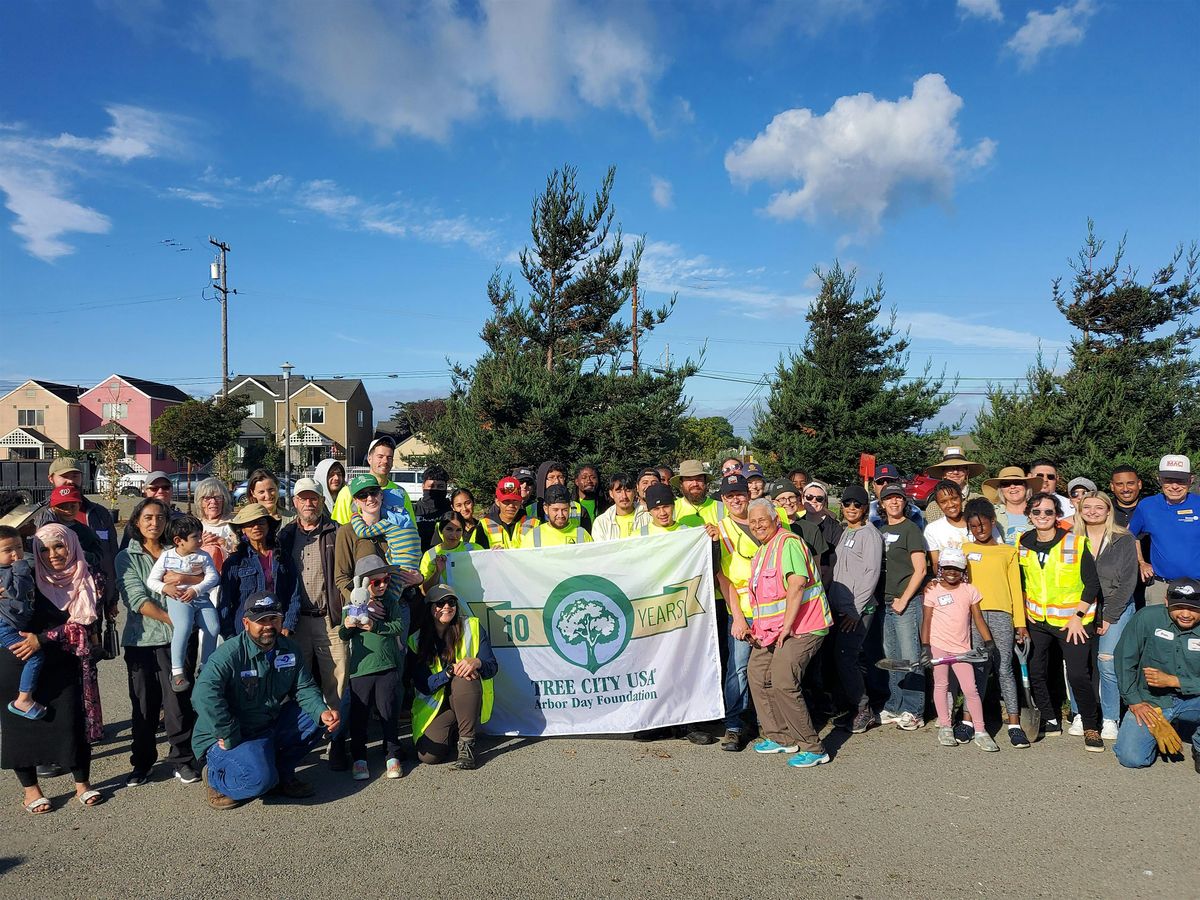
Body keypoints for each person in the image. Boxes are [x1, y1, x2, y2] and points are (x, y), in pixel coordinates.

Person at [192, 592, 340, 809]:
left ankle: (282, 775)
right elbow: (203, 695)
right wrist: (227, 731)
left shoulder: (289, 649)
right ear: (246, 623)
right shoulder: (230, 653)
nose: (268, 626)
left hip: (265, 725)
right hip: (229, 735)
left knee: (314, 718)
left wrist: (322, 711)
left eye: (273, 619)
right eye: (260, 621)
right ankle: (215, 777)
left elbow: (304, 687)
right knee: (259, 780)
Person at [1, 526, 104, 812]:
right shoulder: (24, 575)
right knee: (20, 725)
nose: (52, 554)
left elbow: (84, 625)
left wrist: (42, 639)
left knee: (72, 720)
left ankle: (82, 784)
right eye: (44, 549)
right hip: (19, 656)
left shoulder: (89, 575)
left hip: (64, 658)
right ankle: (31, 790)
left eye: (58, 547)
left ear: (70, 545)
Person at [118, 497, 201, 786]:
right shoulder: (126, 557)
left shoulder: (176, 551)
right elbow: (136, 599)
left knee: (178, 702)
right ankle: (142, 762)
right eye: (148, 518)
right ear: (137, 522)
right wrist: (175, 620)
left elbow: (195, 581)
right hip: (140, 641)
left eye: (160, 518)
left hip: (175, 643)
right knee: (144, 705)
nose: (154, 523)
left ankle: (182, 759)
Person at [744, 498, 832, 768]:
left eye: (763, 520)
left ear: (776, 521)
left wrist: (787, 627)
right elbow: (765, 599)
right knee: (757, 674)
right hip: (771, 631)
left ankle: (812, 746)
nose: (758, 525)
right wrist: (757, 630)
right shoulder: (762, 551)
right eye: (753, 521)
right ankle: (780, 736)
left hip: (803, 627)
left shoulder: (789, 543)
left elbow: (796, 587)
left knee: (783, 679)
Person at [1019, 491, 1104, 750]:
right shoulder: (1023, 542)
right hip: (1037, 620)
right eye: (1037, 512)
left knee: (1078, 675)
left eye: (1048, 512)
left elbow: (1092, 584)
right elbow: (1023, 581)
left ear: (1057, 515)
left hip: (1072, 622)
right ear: (1029, 515)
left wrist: (1078, 617)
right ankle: (1050, 718)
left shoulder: (1074, 543)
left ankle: (1091, 726)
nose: (1042, 516)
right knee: (1036, 671)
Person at [277, 477, 348, 770]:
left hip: (329, 619)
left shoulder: (337, 532)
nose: (309, 503)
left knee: (337, 683)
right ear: (295, 502)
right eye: (303, 498)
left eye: (314, 498)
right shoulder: (286, 535)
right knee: (297, 684)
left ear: (321, 501)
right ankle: (302, 740)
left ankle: (336, 742)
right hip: (295, 622)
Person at [1112, 578, 1200, 772]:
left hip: (1195, 699)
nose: (1185, 614)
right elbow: (1124, 658)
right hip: (1152, 701)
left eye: (1193, 609)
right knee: (1131, 758)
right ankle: (1155, 732)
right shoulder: (1147, 618)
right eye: (1179, 607)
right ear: (1166, 601)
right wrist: (1133, 700)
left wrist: (1174, 681)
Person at [961, 499, 1030, 747]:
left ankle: (1014, 723)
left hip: (1002, 615)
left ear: (992, 521)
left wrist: (1020, 623)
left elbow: (1015, 588)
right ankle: (968, 721)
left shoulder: (1008, 552)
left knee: (1004, 669)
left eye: (983, 524)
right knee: (976, 669)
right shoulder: (964, 549)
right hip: (972, 615)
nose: (980, 530)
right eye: (974, 526)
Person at [407, 584, 498, 770]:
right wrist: (449, 671)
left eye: (451, 602)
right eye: (440, 603)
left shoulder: (472, 626)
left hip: (467, 695)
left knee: (465, 676)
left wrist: (477, 663)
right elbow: (423, 685)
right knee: (428, 757)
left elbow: (492, 667)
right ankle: (456, 729)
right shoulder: (415, 639)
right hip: (439, 706)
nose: (446, 607)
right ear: (430, 607)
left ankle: (467, 744)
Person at [1074, 491, 1139, 741]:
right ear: (1079, 511)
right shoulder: (1072, 539)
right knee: (1078, 661)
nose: (1092, 511)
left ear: (1109, 511)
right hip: (1082, 607)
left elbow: (1128, 582)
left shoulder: (1123, 539)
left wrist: (1110, 616)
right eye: (1086, 506)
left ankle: (1111, 717)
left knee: (1106, 661)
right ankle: (1081, 713)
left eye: (1098, 507)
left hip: (1116, 606)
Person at [920, 547, 998, 751]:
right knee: (941, 685)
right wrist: (926, 646)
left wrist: (989, 641)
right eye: (947, 568)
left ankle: (981, 730)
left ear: (962, 570)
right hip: (938, 645)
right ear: (941, 569)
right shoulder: (932, 591)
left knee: (970, 689)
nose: (951, 572)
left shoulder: (970, 590)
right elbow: (926, 621)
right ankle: (945, 726)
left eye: (956, 568)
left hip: (962, 649)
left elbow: (978, 618)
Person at [341, 555, 408, 781]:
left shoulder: (390, 601)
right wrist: (349, 625)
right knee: (359, 715)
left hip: (387, 665)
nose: (382, 586)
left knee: (388, 711)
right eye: (376, 582)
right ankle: (360, 758)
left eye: (386, 580)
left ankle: (392, 755)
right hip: (360, 669)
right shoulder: (351, 604)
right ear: (363, 583)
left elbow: (398, 625)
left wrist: (375, 625)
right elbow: (343, 633)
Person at [827, 485, 883, 734]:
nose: (851, 508)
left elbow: (871, 574)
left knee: (847, 657)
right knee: (841, 659)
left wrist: (855, 611)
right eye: (847, 503)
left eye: (857, 504)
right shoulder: (846, 532)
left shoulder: (869, 534)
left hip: (858, 609)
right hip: (840, 606)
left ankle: (864, 710)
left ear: (864, 508)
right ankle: (852, 707)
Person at [34, 456, 118, 615]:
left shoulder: (99, 513)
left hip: (93, 594)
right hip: (56, 599)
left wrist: (112, 596)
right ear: (51, 478)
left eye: (75, 476)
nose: (70, 481)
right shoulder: (39, 515)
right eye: (64, 476)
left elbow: (111, 554)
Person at [146, 514, 220, 691]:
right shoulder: (167, 557)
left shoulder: (202, 557)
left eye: (200, 535)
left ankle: (205, 667)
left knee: (213, 627)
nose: (200, 540)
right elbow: (152, 580)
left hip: (200, 598)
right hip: (178, 598)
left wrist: (196, 589)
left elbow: (213, 577)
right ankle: (177, 671)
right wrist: (166, 588)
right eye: (195, 537)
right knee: (184, 627)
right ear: (179, 541)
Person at [877, 482, 929, 731]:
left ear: (905, 502)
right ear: (883, 503)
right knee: (893, 658)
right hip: (886, 601)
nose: (894, 502)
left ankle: (914, 709)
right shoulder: (880, 529)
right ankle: (895, 704)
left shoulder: (911, 529)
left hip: (905, 601)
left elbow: (921, 569)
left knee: (910, 657)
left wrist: (905, 599)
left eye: (899, 498)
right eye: (889, 499)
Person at [714, 474, 757, 750]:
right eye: (730, 496)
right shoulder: (721, 529)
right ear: (723, 500)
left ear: (748, 495)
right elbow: (723, 576)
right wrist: (738, 617)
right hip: (741, 609)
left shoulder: (766, 521)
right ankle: (734, 725)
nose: (736, 499)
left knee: (768, 671)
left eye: (739, 493)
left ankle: (767, 722)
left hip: (772, 609)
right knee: (738, 669)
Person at [1129, 454, 1200, 607]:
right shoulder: (1147, 506)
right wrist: (1141, 562)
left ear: (1191, 480)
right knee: (1157, 629)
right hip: (1161, 587)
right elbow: (1130, 536)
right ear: (1159, 479)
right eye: (1168, 480)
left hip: (1197, 586)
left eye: (1181, 480)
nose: (1174, 486)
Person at [334, 475, 421, 598]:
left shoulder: (395, 526)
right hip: (363, 608)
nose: (370, 498)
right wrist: (362, 601)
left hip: (400, 604)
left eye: (373, 492)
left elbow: (411, 558)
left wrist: (419, 579)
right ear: (355, 501)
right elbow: (341, 578)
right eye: (362, 495)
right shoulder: (347, 531)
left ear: (381, 495)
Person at [219, 502, 296, 637]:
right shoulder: (235, 562)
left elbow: (294, 594)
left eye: (261, 522)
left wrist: (288, 625)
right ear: (242, 529)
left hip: (277, 630)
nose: (256, 527)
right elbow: (225, 603)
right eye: (250, 524)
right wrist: (230, 636)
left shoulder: (282, 557)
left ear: (268, 526)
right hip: (243, 633)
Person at [330, 436, 418, 529]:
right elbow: (339, 531)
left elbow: (411, 529)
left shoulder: (400, 493)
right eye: (380, 456)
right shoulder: (348, 492)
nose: (385, 461)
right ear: (369, 459)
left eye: (389, 457)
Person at [1, 526, 42, 718]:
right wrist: (21, 568)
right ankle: (23, 700)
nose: (16, 554)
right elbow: (18, 592)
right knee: (35, 656)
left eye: (18, 547)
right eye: (7, 550)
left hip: (16, 623)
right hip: (6, 625)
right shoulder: (11, 571)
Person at [923, 447, 987, 525]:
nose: (955, 472)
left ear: (967, 472)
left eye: (960, 468)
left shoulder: (980, 501)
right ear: (944, 473)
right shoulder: (933, 507)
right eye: (950, 468)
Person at [120, 471, 182, 549]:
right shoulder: (135, 523)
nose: (160, 491)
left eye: (165, 487)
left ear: (172, 490)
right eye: (154, 488)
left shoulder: (183, 520)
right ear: (145, 492)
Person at [419, 511, 480, 591]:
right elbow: (424, 591)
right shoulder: (430, 555)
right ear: (441, 530)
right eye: (449, 529)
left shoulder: (474, 549)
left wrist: (496, 553)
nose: (454, 535)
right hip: (444, 602)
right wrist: (437, 572)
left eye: (458, 530)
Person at [982, 466, 1043, 544]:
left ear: (1026, 486)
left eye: (1018, 482)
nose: (1012, 487)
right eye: (1006, 484)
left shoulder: (1042, 512)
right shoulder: (990, 513)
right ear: (1000, 490)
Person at [194, 477, 238, 578]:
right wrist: (200, 544)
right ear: (200, 502)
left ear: (224, 500)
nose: (213, 502)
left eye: (218, 497)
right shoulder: (194, 525)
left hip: (229, 575)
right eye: (207, 498)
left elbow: (242, 551)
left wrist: (223, 543)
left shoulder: (234, 524)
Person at [521, 485, 593, 547]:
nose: (560, 515)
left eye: (564, 510)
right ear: (546, 509)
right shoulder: (533, 536)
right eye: (555, 510)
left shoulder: (582, 534)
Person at [591, 473, 649, 541]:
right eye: (618, 491)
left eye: (628, 491)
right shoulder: (601, 523)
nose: (624, 496)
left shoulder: (647, 517)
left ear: (635, 492)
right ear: (611, 494)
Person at [869, 462, 924, 529]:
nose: (885, 485)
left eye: (890, 481)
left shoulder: (914, 512)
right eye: (880, 481)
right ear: (874, 485)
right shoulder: (867, 511)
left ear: (899, 482)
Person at [672, 460, 726, 529]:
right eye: (689, 479)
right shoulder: (671, 510)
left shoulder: (722, 508)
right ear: (681, 484)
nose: (695, 484)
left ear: (705, 482)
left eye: (699, 479)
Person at [480, 477, 527, 550]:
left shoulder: (534, 523)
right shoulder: (483, 525)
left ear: (520, 502)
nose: (511, 505)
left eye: (515, 500)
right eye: (506, 501)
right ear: (497, 502)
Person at [413, 464, 451, 551]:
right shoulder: (413, 510)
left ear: (446, 487)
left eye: (440, 486)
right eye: (431, 486)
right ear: (423, 486)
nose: (435, 490)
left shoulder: (452, 510)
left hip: (446, 559)